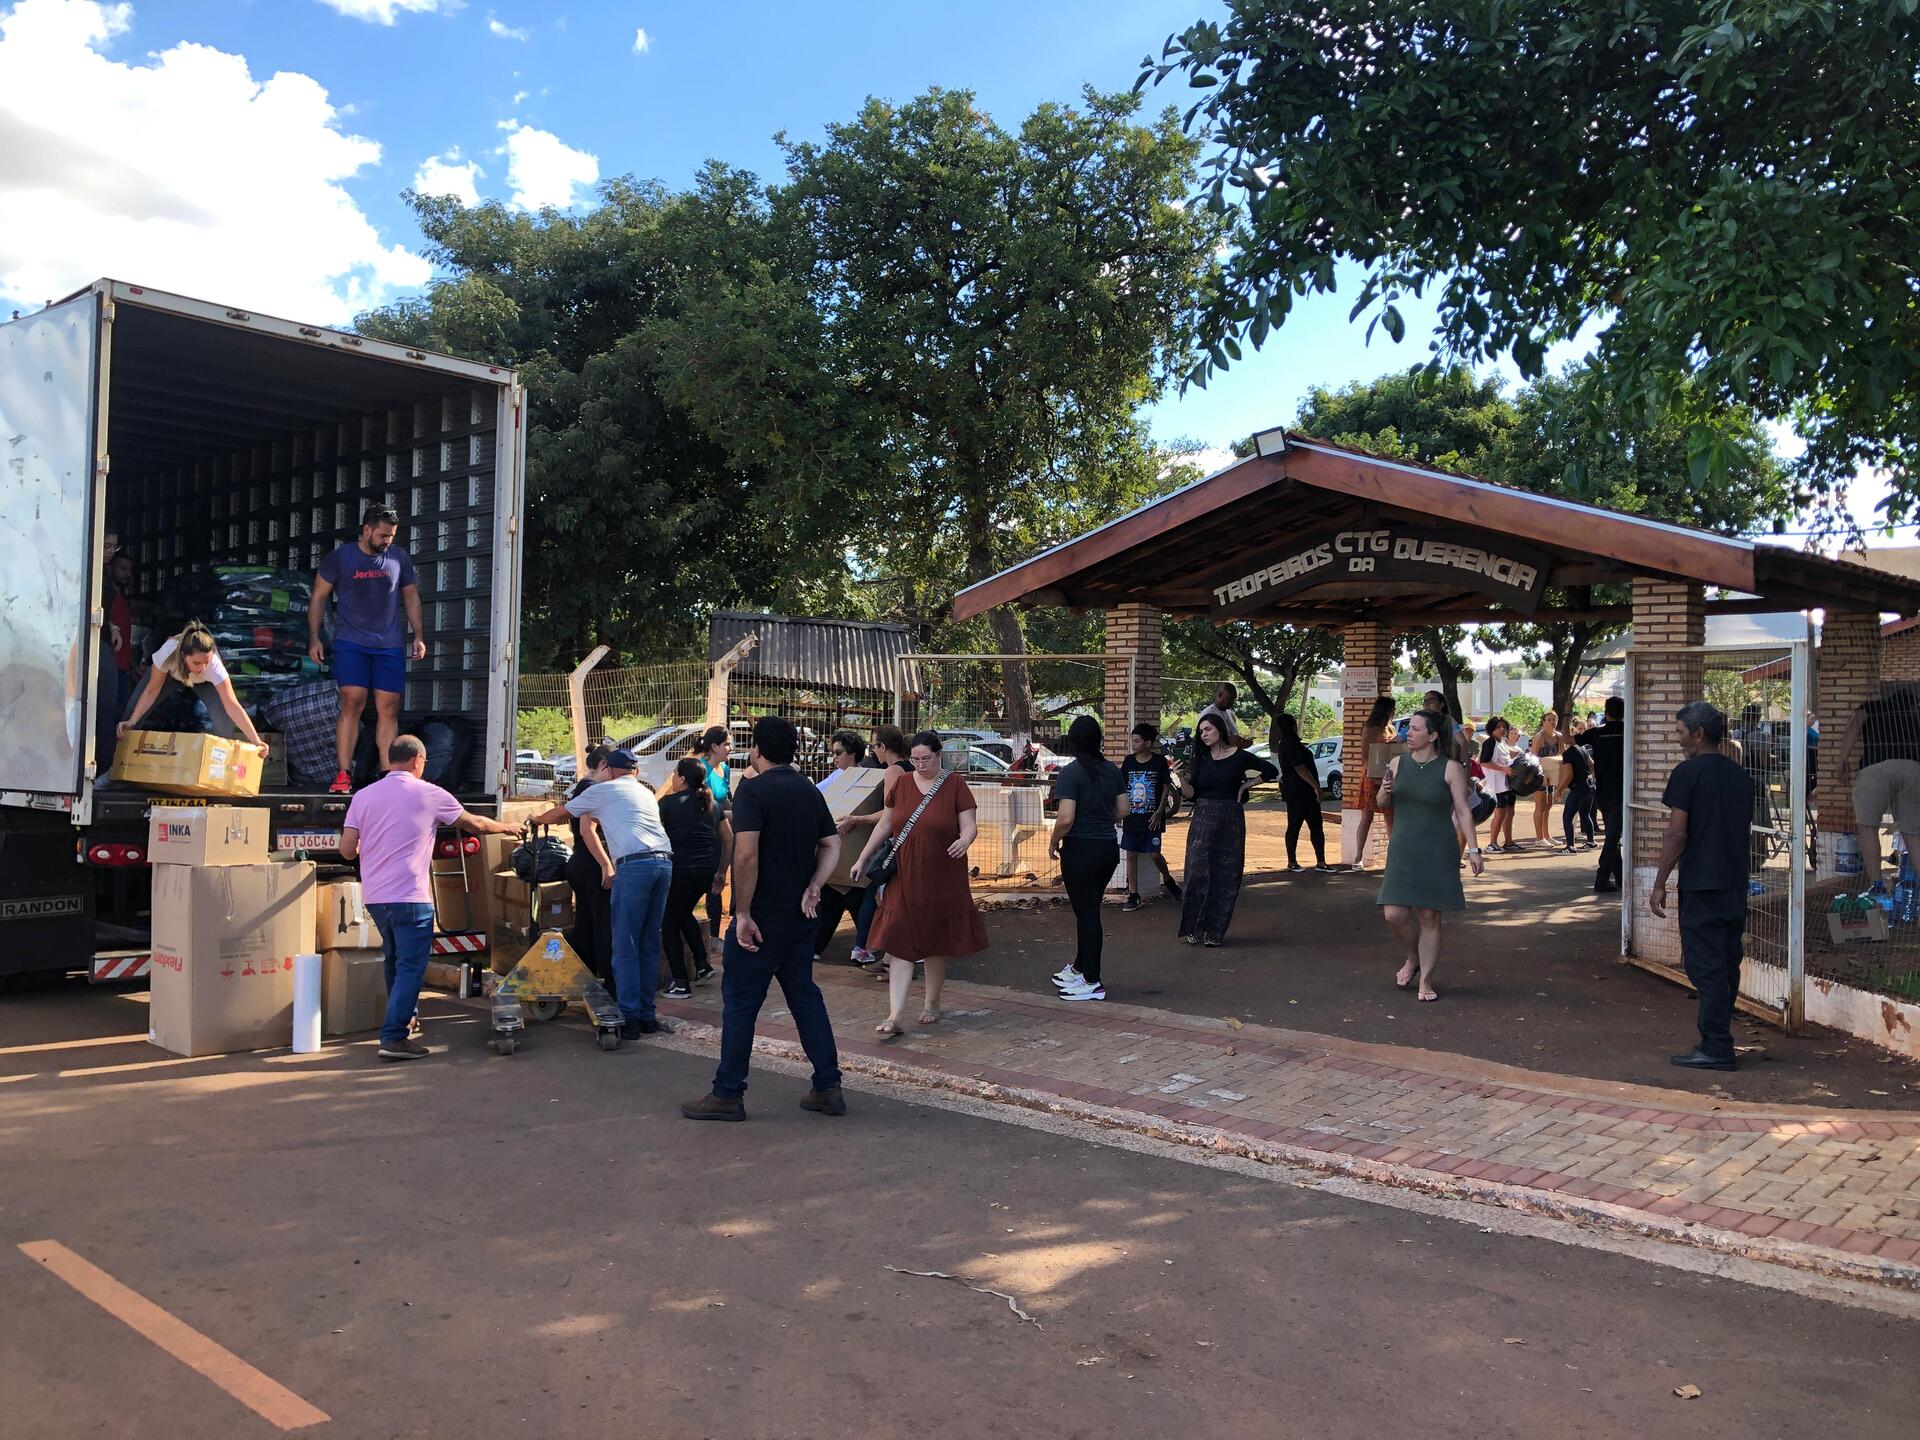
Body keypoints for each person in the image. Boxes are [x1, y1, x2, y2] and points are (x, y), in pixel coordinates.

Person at [682, 715, 846, 1121]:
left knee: (740, 1002)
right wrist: (815, 886)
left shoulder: (753, 791)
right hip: (801, 913)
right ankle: (828, 1085)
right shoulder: (809, 791)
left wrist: (742, 913)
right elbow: (831, 843)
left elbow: (746, 853)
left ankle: (728, 1093)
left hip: (761, 916)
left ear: (757, 748)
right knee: (804, 995)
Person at [339, 734, 518, 1060]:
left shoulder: (362, 796)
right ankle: (393, 1037)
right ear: (418, 761)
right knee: (411, 967)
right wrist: (509, 827)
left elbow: (347, 849)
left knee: (394, 962)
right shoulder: (430, 793)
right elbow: (474, 823)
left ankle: (403, 1023)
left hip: (376, 897)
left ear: (390, 759)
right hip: (411, 896)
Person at [530, 748, 675, 1039]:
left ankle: (630, 1017)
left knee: (624, 945)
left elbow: (561, 814)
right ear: (635, 770)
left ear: (608, 769)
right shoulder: (645, 792)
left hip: (634, 868)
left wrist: (536, 819)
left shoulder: (604, 790)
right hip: (664, 864)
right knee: (648, 944)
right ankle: (647, 1015)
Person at [856, 729, 988, 1035]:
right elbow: (888, 822)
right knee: (899, 936)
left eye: (926, 758)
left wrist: (965, 841)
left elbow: (970, 826)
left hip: (943, 873)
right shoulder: (902, 782)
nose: (920, 764)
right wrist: (863, 858)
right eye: (915, 759)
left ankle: (931, 1001)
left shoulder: (954, 784)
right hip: (904, 871)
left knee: (934, 939)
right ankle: (895, 1014)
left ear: (938, 755)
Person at [1649, 701, 1755, 1071]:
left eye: (1680, 732)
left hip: (1701, 883)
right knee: (1726, 964)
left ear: (1699, 733)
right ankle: (1719, 1039)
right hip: (1734, 881)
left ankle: (1716, 1046)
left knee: (1705, 967)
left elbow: (1677, 834)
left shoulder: (1687, 773)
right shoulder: (1741, 776)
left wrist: (1660, 881)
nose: (1677, 738)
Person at [309, 504, 425, 795]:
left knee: (388, 708)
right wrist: (314, 637)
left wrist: (418, 635)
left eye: (392, 536)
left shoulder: (399, 559)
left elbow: (411, 598)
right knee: (352, 702)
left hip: (388, 646)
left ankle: (389, 776)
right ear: (366, 529)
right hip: (351, 643)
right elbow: (319, 597)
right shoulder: (340, 558)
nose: (388, 541)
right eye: (384, 535)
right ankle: (343, 774)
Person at [1375, 710, 1486, 1001]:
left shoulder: (1450, 769)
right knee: (1394, 914)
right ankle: (1412, 958)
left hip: (1437, 849)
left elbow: (1462, 810)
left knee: (1429, 916)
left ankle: (1426, 980)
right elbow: (1382, 801)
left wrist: (1474, 849)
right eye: (1407, 729)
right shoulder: (1398, 763)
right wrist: (1385, 791)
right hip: (1403, 848)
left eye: (1414, 729)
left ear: (1433, 735)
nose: (1407, 734)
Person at [1173, 712, 1278, 946]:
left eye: (1208, 729)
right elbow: (1192, 794)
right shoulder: (1200, 758)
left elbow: (1271, 771)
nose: (1204, 734)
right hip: (1203, 816)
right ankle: (1194, 926)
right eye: (1201, 731)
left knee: (1226, 874)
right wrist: (1182, 778)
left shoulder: (1239, 756)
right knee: (1196, 871)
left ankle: (1214, 932)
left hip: (1230, 816)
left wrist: (1247, 785)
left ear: (1220, 729)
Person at [1046, 716, 1128, 1002]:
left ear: (1073, 740)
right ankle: (1081, 968)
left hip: (1080, 849)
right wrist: (1102, 817)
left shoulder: (1071, 773)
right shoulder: (1112, 771)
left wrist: (1054, 839)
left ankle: (1092, 981)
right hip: (1107, 848)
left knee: (1087, 914)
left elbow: (1066, 817)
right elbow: (1123, 810)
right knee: (1089, 910)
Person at [118, 620, 270, 755]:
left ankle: (222, 774)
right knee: (130, 716)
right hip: (170, 677)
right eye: (197, 663)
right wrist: (133, 720)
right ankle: (115, 769)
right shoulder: (167, 653)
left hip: (204, 683)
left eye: (207, 662)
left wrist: (256, 740)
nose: (203, 668)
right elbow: (151, 690)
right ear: (183, 656)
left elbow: (232, 705)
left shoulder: (214, 667)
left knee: (223, 723)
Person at [1835, 688, 1920, 895]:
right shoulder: (1916, 712)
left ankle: (1877, 885)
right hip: (1913, 768)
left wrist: (1843, 760)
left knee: (1868, 827)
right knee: (1913, 832)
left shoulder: (1872, 707)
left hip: (1875, 767)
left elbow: (1855, 725)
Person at [658, 757, 726, 997]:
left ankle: (680, 982)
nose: (673, 779)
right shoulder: (712, 804)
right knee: (683, 911)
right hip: (706, 870)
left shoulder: (667, 804)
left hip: (681, 870)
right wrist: (721, 871)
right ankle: (702, 964)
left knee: (668, 922)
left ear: (683, 778)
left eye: (675, 774)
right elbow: (729, 839)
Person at [562, 744, 616, 992]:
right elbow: (587, 831)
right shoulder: (593, 789)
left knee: (586, 919)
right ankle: (609, 978)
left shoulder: (582, 787)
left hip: (582, 862)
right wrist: (606, 864)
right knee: (603, 921)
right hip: (592, 862)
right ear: (603, 764)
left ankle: (585, 971)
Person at [1119, 723, 1180, 909]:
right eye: (1132, 741)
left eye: (1137, 741)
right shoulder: (1129, 761)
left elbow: (1165, 786)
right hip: (1132, 817)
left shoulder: (1159, 761)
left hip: (1153, 817)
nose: (1133, 744)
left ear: (1148, 743)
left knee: (1154, 853)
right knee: (1131, 855)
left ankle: (1169, 880)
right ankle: (1134, 894)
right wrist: (1121, 811)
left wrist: (1160, 811)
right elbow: (1122, 788)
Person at [1273, 711, 1332, 872]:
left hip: (1297, 792)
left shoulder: (1287, 743)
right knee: (1297, 826)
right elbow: (1300, 768)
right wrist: (1316, 787)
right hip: (1300, 792)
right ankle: (1293, 862)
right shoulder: (1290, 744)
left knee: (1313, 826)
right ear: (1292, 725)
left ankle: (1319, 861)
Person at [692, 725, 734, 947]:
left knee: (719, 880)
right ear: (714, 746)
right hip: (709, 832)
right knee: (709, 882)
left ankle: (716, 933)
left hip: (724, 829)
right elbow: (704, 806)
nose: (731, 748)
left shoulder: (723, 768)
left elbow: (725, 797)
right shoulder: (702, 770)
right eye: (727, 744)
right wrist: (732, 814)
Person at [1345, 696, 1397, 872]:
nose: (1393, 713)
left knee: (1390, 817)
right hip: (1371, 777)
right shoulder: (1370, 728)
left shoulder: (1390, 728)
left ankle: (1394, 856)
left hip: (1388, 776)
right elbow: (1366, 755)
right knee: (1366, 818)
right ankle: (1358, 857)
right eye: (1391, 709)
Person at [97, 549, 136, 770]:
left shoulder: (120, 599)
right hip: (108, 668)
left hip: (121, 668)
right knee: (109, 716)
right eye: (122, 569)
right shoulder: (103, 597)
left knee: (119, 716)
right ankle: (107, 765)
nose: (127, 574)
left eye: (129, 571)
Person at [1588, 696, 1626, 892]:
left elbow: (1569, 739)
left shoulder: (1597, 733)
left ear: (1606, 712)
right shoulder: (1628, 732)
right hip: (1622, 792)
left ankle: (1620, 877)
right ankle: (1602, 878)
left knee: (1613, 834)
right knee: (1613, 835)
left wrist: (1567, 711)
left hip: (1602, 793)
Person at [1478, 716, 1518, 852]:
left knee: (1510, 812)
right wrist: (1503, 769)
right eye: (1498, 727)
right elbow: (1483, 762)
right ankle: (1492, 843)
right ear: (1492, 729)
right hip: (1496, 785)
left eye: (1504, 727)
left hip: (1507, 784)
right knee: (1500, 813)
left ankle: (1509, 842)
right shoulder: (1490, 743)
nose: (1501, 729)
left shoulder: (1503, 742)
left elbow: (1509, 757)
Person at [1528, 711, 1564, 843]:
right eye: (1549, 719)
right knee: (1540, 805)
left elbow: (1562, 754)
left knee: (1549, 805)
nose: (1552, 722)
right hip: (1540, 775)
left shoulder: (1559, 736)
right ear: (1543, 722)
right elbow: (1532, 757)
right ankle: (1539, 837)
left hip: (1552, 775)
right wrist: (1541, 775)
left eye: (1554, 719)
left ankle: (1547, 835)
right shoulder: (1540, 736)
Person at [1559, 731, 1597, 851]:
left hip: (1578, 788)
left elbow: (1568, 775)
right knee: (1585, 814)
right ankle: (1591, 841)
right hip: (1590, 786)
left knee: (1567, 817)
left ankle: (1570, 846)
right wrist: (1592, 777)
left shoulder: (1568, 754)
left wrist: (1559, 790)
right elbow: (1592, 764)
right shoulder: (1583, 748)